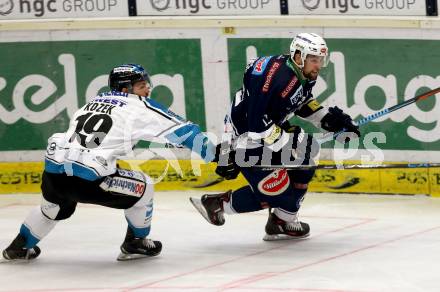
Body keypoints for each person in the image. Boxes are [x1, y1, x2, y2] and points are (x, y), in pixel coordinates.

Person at [2, 64, 215, 261]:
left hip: (54, 174)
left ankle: (19, 247)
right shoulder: (139, 106)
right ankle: (136, 242)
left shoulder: (91, 103)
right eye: (141, 86)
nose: (147, 90)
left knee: (52, 208)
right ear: (125, 90)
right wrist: (218, 157)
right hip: (89, 182)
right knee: (145, 187)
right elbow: (186, 132)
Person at [190, 33, 360, 241]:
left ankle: (281, 221)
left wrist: (329, 120)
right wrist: (287, 141)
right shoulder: (275, 79)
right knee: (277, 190)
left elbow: (301, 102)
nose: (319, 66)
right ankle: (218, 204)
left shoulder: (300, 73)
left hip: (267, 129)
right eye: (314, 60)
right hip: (245, 139)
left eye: (321, 60)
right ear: (299, 56)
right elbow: (256, 125)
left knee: (305, 163)